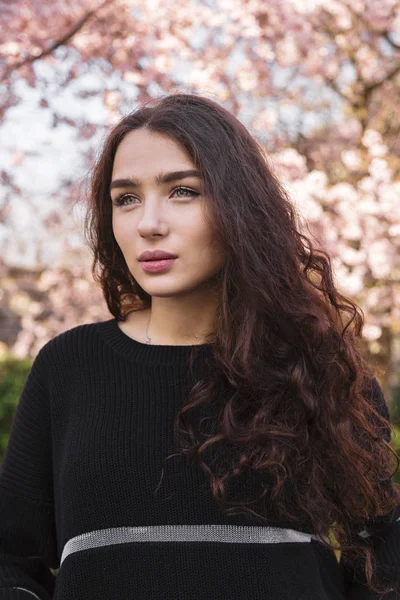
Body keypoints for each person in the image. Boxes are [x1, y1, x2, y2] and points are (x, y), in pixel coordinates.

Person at [0, 92, 399, 600]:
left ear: (240, 206)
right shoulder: (68, 367)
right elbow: (11, 560)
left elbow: (384, 559)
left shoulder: (321, 370)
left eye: (183, 191)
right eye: (126, 198)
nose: (148, 223)